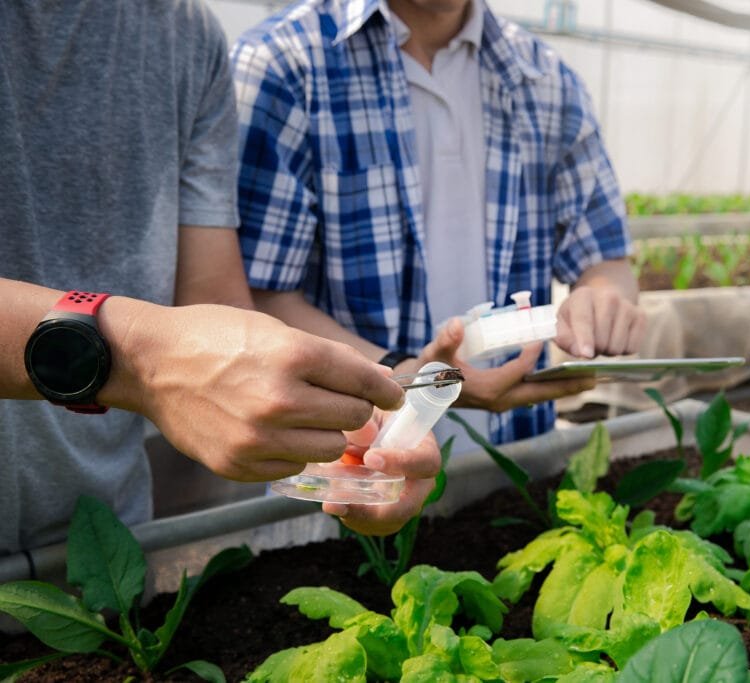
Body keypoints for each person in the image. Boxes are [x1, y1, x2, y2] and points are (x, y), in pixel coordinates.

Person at [0, 0, 439, 557]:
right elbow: (165, 359)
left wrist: (352, 435)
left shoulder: (183, 33)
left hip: (102, 549)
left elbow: (214, 306)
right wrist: (141, 360)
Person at [231, 0, 646, 453]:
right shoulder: (285, 66)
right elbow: (254, 299)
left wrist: (603, 300)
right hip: (349, 464)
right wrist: (411, 376)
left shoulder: (547, 82)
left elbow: (606, 262)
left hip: (515, 462)